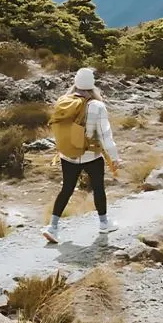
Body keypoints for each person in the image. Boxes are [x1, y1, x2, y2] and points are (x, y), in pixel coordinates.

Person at [42, 67, 122, 244]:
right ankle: (103, 223)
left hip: (67, 155)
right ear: (92, 85)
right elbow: (105, 135)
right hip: (91, 156)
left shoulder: (63, 101)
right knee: (98, 188)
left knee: (67, 189)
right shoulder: (97, 106)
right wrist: (115, 157)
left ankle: (52, 227)